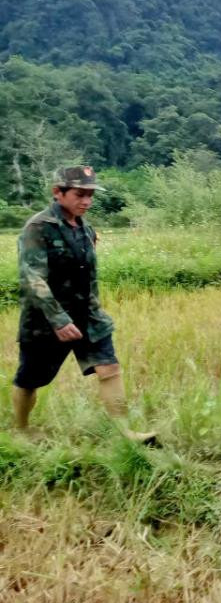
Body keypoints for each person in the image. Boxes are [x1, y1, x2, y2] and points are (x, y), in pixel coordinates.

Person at [12, 166, 155, 443]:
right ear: (58, 192)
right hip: (46, 319)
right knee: (30, 379)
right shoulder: (38, 228)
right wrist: (58, 319)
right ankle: (21, 430)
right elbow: (32, 278)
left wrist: (93, 309)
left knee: (109, 368)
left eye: (90, 195)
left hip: (88, 315)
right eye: (80, 194)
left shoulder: (85, 228)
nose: (87, 201)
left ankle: (126, 434)